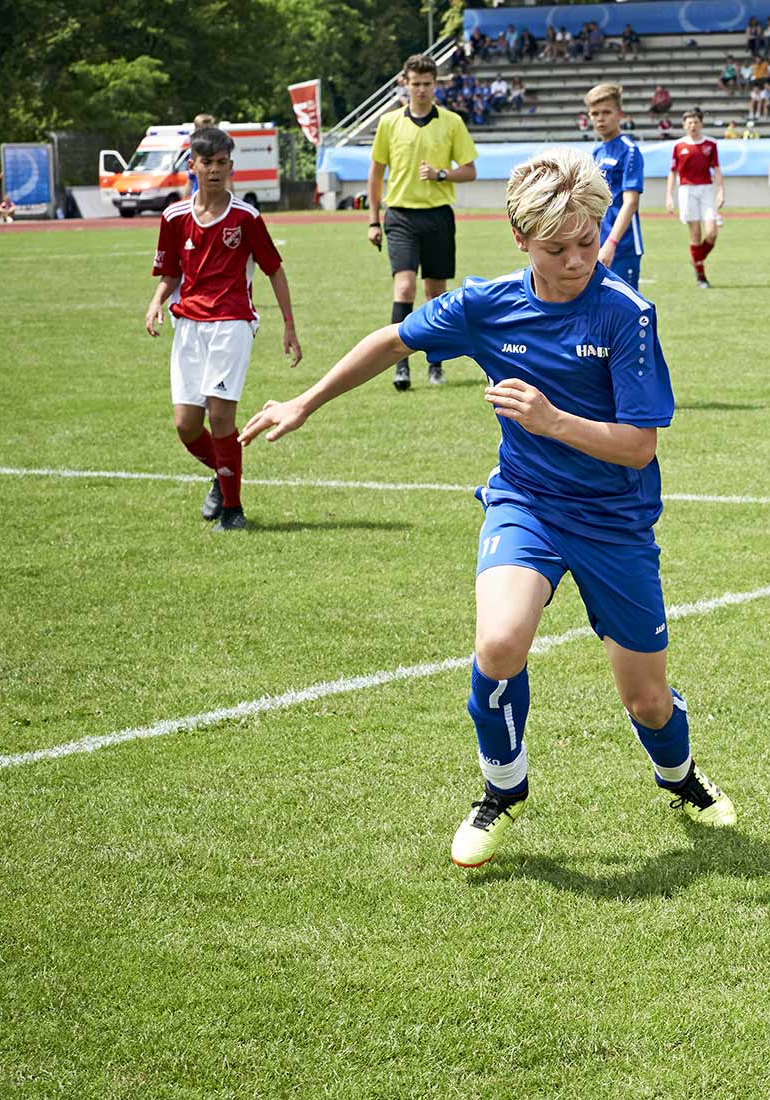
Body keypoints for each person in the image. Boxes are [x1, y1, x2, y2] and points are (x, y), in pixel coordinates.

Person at [239, 147, 738, 868]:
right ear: (520, 240)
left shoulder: (627, 314)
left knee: (648, 702)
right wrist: (306, 402)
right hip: (526, 503)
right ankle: (502, 791)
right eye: (556, 248)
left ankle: (680, 777)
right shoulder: (487, 304)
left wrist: (551, 419)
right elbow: (392, 338)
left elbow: (637, 447)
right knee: (500, 644)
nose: (576, 260)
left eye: (588, 242)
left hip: (614, 521)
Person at [145, 127, 301, 532]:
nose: (214, 170)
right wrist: (156, 301)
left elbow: (274, 270)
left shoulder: (245, 217)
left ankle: (233, 512)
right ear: (192, 166)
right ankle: (224, 473)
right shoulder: (174, 217)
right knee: (186, 425)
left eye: (221, 163)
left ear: (230, 166)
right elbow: (170, 272)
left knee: (220, 417)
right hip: (188, 326)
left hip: (232, 322)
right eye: (206, 162)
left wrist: (289, 325)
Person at [367, 53, 478, 391]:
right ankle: (400, 365)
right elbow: (375, 175)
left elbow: (470, 171)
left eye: (427, 84)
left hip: (438, 216)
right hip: (400, 215)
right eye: (415, 84)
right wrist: (373, 220)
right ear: (405, 83)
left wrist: (442, 174)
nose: (421, 90)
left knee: (436, 294)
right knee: (404, 288)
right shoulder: (389, 123)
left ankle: (435, 362)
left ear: (436, 85)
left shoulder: (452, 122)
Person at [585, 83, 645, 288]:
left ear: (619, 114)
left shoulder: (629, 151)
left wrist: (611, 243)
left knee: (624, 314)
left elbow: (630, 203)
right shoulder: (597, 152)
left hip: (622, 246)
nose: (600, 118)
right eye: (595, 113)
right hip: (596, 245)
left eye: (606, 112)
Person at [665, 110, 726, 289]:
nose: (693, 125)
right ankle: (701, 276)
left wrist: (721, 191)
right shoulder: (678, 146)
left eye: (696, 122)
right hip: (686, 190)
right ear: (684, 125)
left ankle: (696, 259)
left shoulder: (710, 144)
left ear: (701, 123)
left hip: (707, 189)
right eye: (689, 122)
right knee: (695, 234)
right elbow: (673, 172)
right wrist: (669, 195)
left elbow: (717, 169)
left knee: (712, 232)